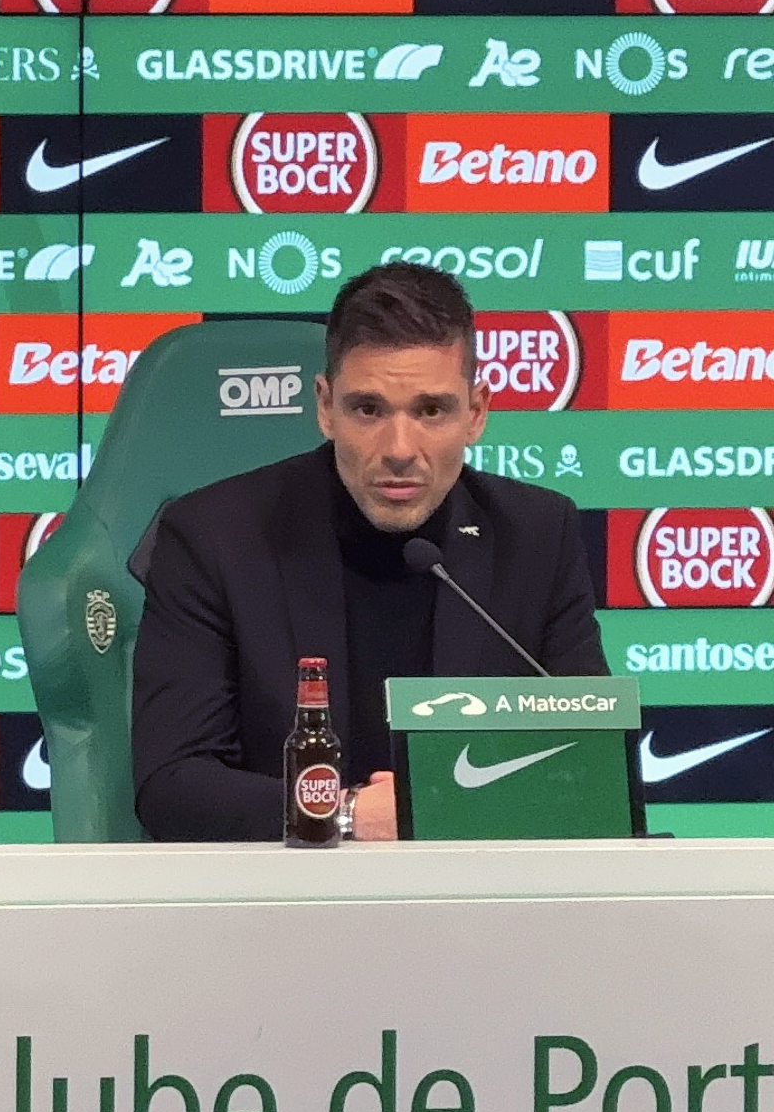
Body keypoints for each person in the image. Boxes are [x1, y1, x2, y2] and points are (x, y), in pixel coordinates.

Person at [132, 262, 605, 842]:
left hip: (478, 887)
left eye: (431, 410)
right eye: (368, 409)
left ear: (476, 412)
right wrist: (347, 814)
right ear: (325, 407)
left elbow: (592, 768)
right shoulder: (214, 537)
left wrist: (436, 808)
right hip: (283, 885)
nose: (399, 449)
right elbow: (172, 785)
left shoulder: (536, 537)